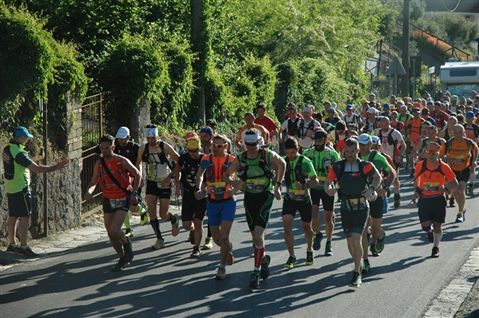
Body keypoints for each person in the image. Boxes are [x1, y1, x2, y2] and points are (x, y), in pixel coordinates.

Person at [223, 129, 286, 289]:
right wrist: (234, 186)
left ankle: (255, 272)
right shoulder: (241, 158)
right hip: (249, 198)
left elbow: (282, 164)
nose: (251, 147)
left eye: (254, 144)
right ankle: (263, 259)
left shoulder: (266, 155)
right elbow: (227, 174)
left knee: (258, 236)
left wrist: (278, 185)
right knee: (255, 238)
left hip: (265, 197)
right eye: (248, 144)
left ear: (259, 142)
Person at [3, 126, 70, 258]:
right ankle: (23, 246)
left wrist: (35, 158)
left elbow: (19, 164)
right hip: (21, 188)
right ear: (21, 137)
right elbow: (37, 169)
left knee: (13, 216)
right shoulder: (19, 153)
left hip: (10, 187)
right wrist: (56, 167)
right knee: (25, 217)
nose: (27, 140)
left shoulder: (8, 148)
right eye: (26, 137)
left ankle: (12, 244)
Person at [324, 138, 381, 288]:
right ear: (343, 152)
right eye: (346, 152)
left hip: (362, 207)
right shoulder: (338, 167)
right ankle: (359, 262)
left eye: (352, 152)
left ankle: (357, 274)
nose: (349, 155)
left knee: (356, 239)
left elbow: (378, 178)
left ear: (358, 151)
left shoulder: (365, 166)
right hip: (345, 208)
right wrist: (328, 189)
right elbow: (328, 182)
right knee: (350, 241)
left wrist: (371, 189)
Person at [84, 134, 140, 271]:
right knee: (110, 233)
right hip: (108, 199)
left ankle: (127, 244)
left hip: (122, 198)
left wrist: (134, 192)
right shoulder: (99, 163)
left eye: (107, 148)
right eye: (102, 148)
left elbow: (137, 174)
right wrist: (89, 191)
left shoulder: (122, 161)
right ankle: (122, 258)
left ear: (113, 147)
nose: (104, 151)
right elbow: (93, 182)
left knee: (115, 229)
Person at [195, 134, 236, 280]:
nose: (215, 148)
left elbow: (240, 177)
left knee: (224, 236)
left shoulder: (232, 160)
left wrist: (234, 188)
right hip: (211, 203)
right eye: (213, 145)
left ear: (225, 146)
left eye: (219, 146)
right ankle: (228, 249)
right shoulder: (206, 159)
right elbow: (200, 174)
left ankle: (222, 267)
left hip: (227, 202)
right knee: (218, 240)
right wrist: (199, 188)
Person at [136, 124, 180, 250]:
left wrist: (171, 177)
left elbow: (180, 161)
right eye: (149, 138)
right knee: (151, 211)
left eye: (153, 138)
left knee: (163, 214)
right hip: (151, 182)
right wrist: (140, 176)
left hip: (165, 183)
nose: (151, 141)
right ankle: (159, 239)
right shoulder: (143, 148)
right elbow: (138, 163)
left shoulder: (164, 147)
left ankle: (173, 219)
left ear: (157, 136)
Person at [357, 134, 396, 274]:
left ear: (370, 144)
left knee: (374, 229)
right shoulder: (354, 157)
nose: (362, 147)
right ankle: (365, 260)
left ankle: (379, 236)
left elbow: (392, 173)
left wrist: (385, 188)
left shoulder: (378, 158)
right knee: (363, 230)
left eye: (365, 144)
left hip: (376, 196)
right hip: (361, 197)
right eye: (360, 144)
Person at [412, 143, 458, 258]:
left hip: (438, 199)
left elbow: (454, 182)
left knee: (438, 225)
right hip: (424, 199)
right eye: (429, 153)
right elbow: (417, 180)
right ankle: (429, 231)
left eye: (433, 154)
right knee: (425, 225)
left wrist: (446, 189)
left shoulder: (443, 166)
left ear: (437, 155)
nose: (431, 156)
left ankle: (436, 247)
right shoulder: (420, 165)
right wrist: (416, 191)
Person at [281, 137, 319, 269]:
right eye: (287, 153)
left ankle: (309, 250)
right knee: (286, 226)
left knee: (306, 227)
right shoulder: (283, 161)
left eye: (292, 152)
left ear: (297, 149)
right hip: (289, 199)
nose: (290, 156)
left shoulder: (305, 162)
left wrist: (304, 185)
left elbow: (315, 181)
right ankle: (292, 256)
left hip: (303, 199)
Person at [303, 130, 340, 256]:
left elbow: (340, 172)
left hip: (327, 189)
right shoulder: (308, 153)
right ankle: (318, 234)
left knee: (328, 219)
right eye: (316, 141)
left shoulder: (332, 154)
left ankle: (329, 242)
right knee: (313, 216)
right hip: (314, 189)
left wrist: (337, 188)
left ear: (325, 140)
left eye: (320, 141)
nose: (317, 143)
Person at [173, 134, 206, 258]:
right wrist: (177, 184)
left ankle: (196, 248)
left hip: (201, 195)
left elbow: (208, 176)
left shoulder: (205, 159)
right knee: (187, 225)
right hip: (187, 193)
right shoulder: (183, 158)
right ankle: (192, 231)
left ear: (200, 149)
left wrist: (204, 186)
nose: (193, 153)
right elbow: (178, 171)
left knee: (198, 222)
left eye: (195, 151)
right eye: (190, 151)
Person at [114, 126, 148, 238]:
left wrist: (141, 176)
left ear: (128, 137)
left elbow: (140, 163)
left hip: (134, 179)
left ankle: (142, 211)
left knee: (133, 207)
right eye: (119, 138)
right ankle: (128, 229)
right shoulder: (115, 148)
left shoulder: (135, 148)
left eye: (123, 138)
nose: (120, 140)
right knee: (122, 205)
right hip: (121, 180)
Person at [440, 125, 478, 222]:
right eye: (456, 133)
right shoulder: (449, 143)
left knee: (460, 190)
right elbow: (440, 157)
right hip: (452, 169)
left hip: (465, 168)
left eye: (460, 133)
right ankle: (462, 209)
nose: (458, 135)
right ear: (452, 132)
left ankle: (460, 212)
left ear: (463, 132)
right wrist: (451, 160)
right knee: (456, 192)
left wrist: (474, 161)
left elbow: (476, 149)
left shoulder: (468, 142)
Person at [376, 117, 406, 208]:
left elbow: (404, 145)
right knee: (382, 177)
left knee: (395, 178)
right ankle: (386, 189)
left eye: (385, 125)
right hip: (382, 158)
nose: (383, 127)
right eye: (382, 125)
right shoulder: (377, 132)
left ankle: (396, 194)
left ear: (389, 123)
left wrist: (399, 156)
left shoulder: (395, 133)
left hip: (393, 159)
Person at [199, 126, 215, 250]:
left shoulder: (217, 149)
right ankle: (195, 230)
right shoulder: (197, 149)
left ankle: (209, 238)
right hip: (200, 181)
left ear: (211, 137)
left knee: (209, 211)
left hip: (213, 183)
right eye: (201, 136)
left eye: (205, 136)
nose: (202, 139)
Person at [463, 111, 479, 194]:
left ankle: (471, 184)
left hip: (473, 149)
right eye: (468, 118)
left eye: (470, 118)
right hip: (463, 150)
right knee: (464, 167)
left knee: (472, 166)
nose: (469, 120)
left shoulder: (476, 127)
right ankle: (464, 183)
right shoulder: (463, 126)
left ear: (473, 118)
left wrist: (477, 140)